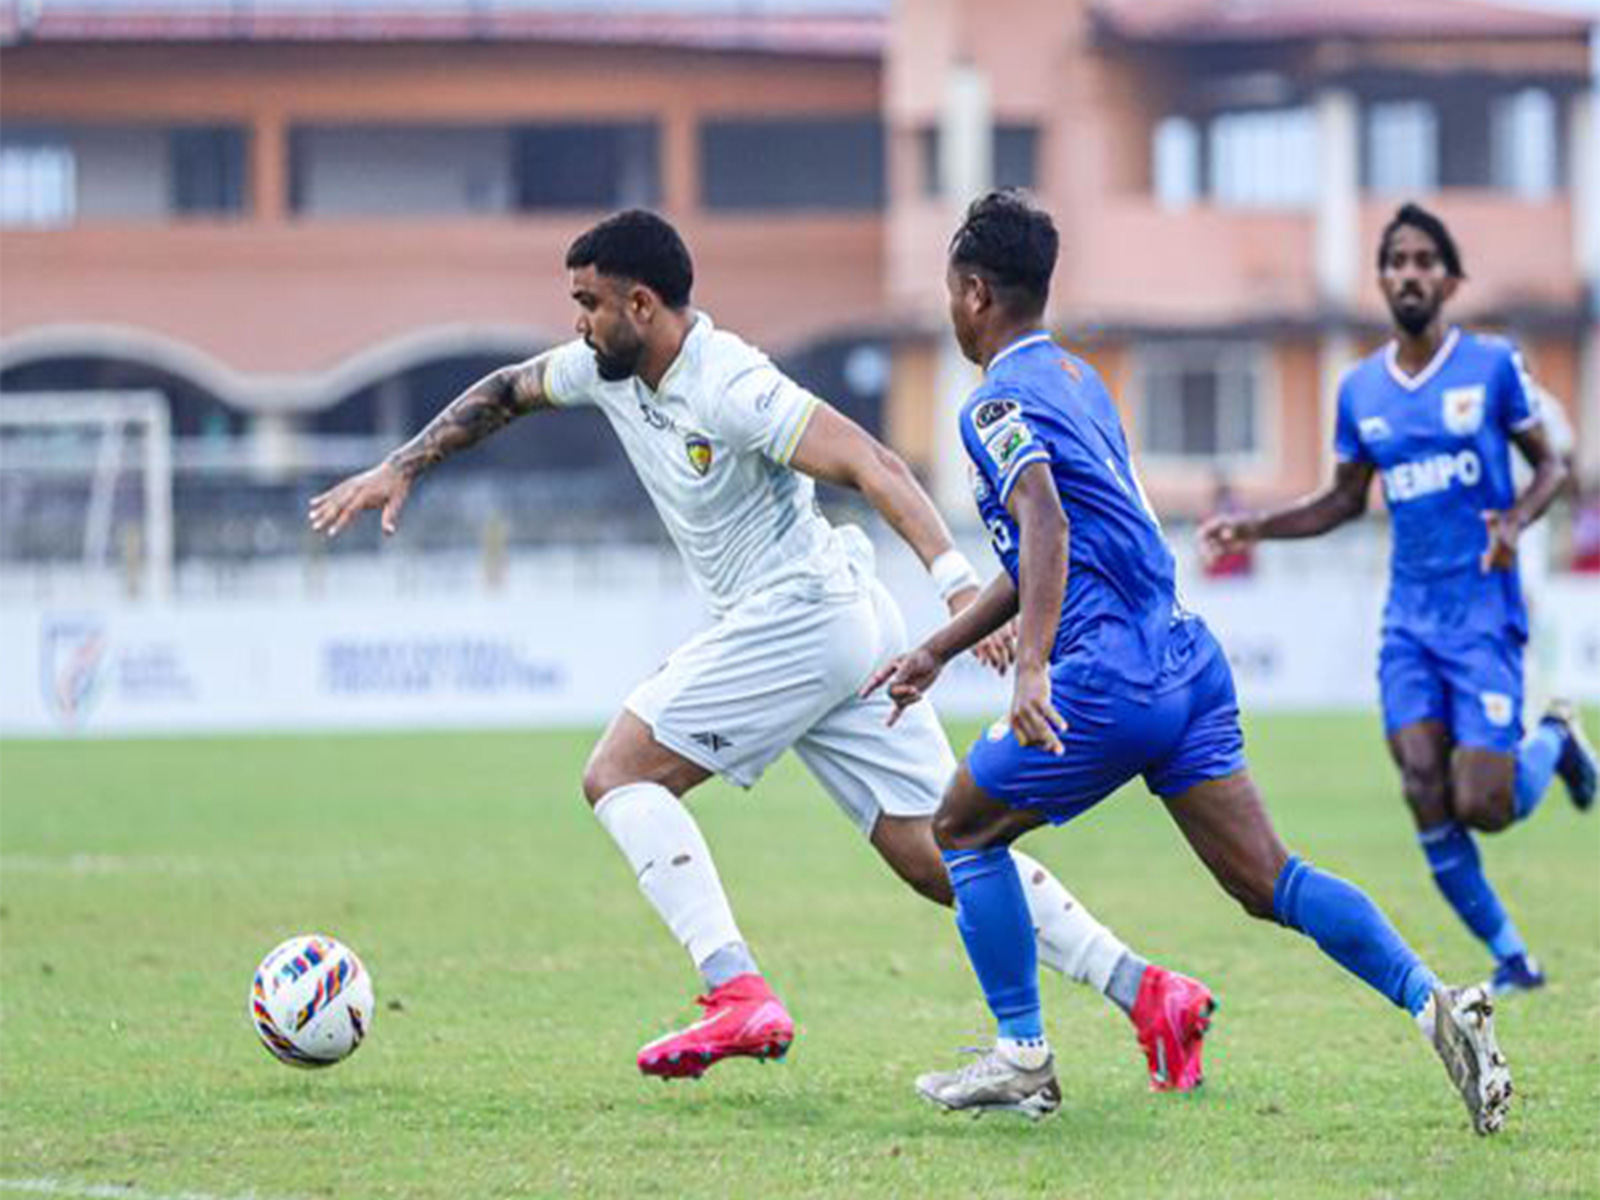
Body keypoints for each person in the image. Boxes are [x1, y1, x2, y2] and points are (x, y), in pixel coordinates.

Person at [309, 209, 1214, 1088]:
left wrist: (955, 582)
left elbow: (875, 463)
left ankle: (734, 987)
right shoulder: (605, 369)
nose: (575, 323)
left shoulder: (730, 380)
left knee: (618, 774)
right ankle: (1148, 991)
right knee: (939, 851)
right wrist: (404, 466)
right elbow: (504, 391)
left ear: (642, 306)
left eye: (588, 303)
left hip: (804, 615)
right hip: (834, 628)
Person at [868, 190, 1511, 1135]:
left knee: (961, 831)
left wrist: (1032, 668)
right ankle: (1435, 1003)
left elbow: (1045, 524)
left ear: (973, 293)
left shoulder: (993, 402)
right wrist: (937, 648)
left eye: (949, 293)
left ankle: (1022, 1055)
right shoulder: (1083, 383)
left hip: (1105, 677)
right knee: (1269, 880)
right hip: (1184, 661)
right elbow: (1050, 546)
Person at [1201, 203, 1596, 994]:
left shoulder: (1488, 367)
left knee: (1484, 801)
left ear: (1447, 279)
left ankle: (1553, 739)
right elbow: (1343, 500)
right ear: (1382, 278)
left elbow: (1553, 467)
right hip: (1410, 620)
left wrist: (1517, 520)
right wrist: (1257, 527)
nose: (1410, 273)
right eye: (1397, 260)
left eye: (1424, 260)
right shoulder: (1360, 391)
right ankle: (1515, 958)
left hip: (1483, 613)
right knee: (1422, 785)